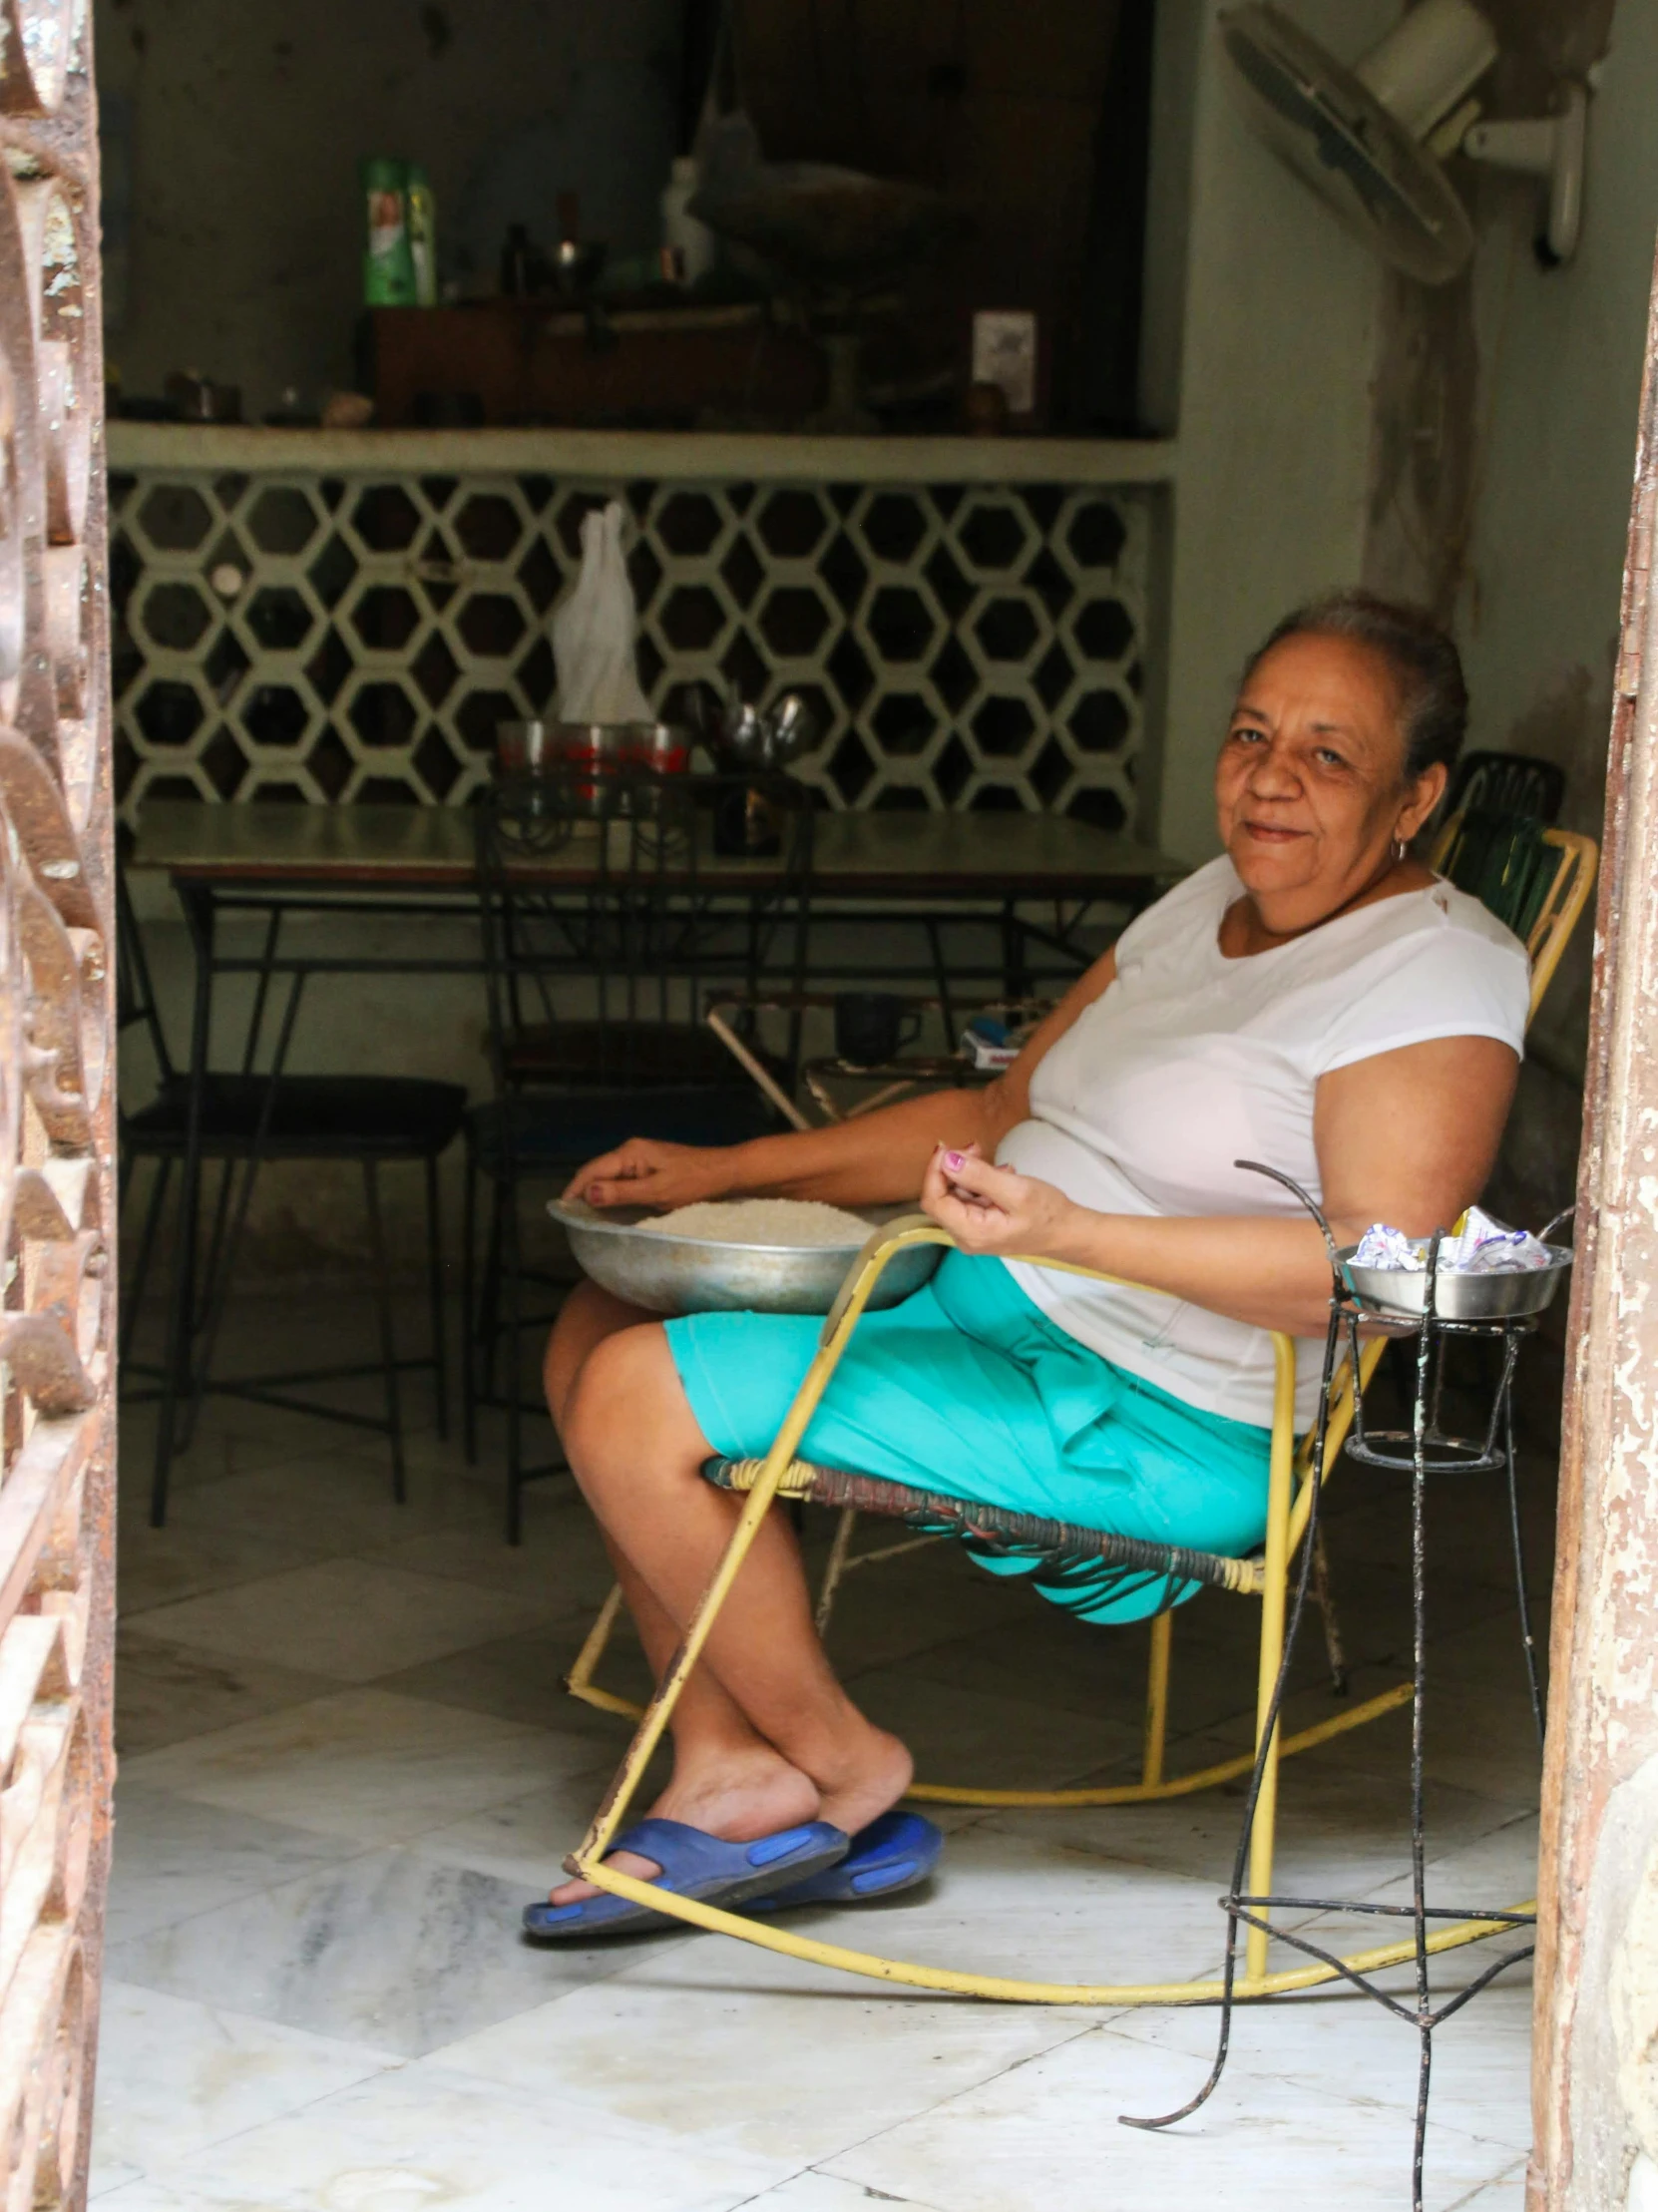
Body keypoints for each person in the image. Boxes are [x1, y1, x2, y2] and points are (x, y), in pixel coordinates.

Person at [527, 589, 1530, 1938]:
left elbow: (1373, 1275)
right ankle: (726, 1763)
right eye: (1249, 736)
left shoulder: (1430, 970)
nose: (1269, 780)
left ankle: (836, 1764)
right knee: (599, 1322)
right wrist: (725, 1168)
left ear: (1414, 798)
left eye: (1326, 754)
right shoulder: (1201, 907)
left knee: (636, 1394)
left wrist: (1073, 1235)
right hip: (991, 1305)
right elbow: (996, 1119)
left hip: (1155, 1417)